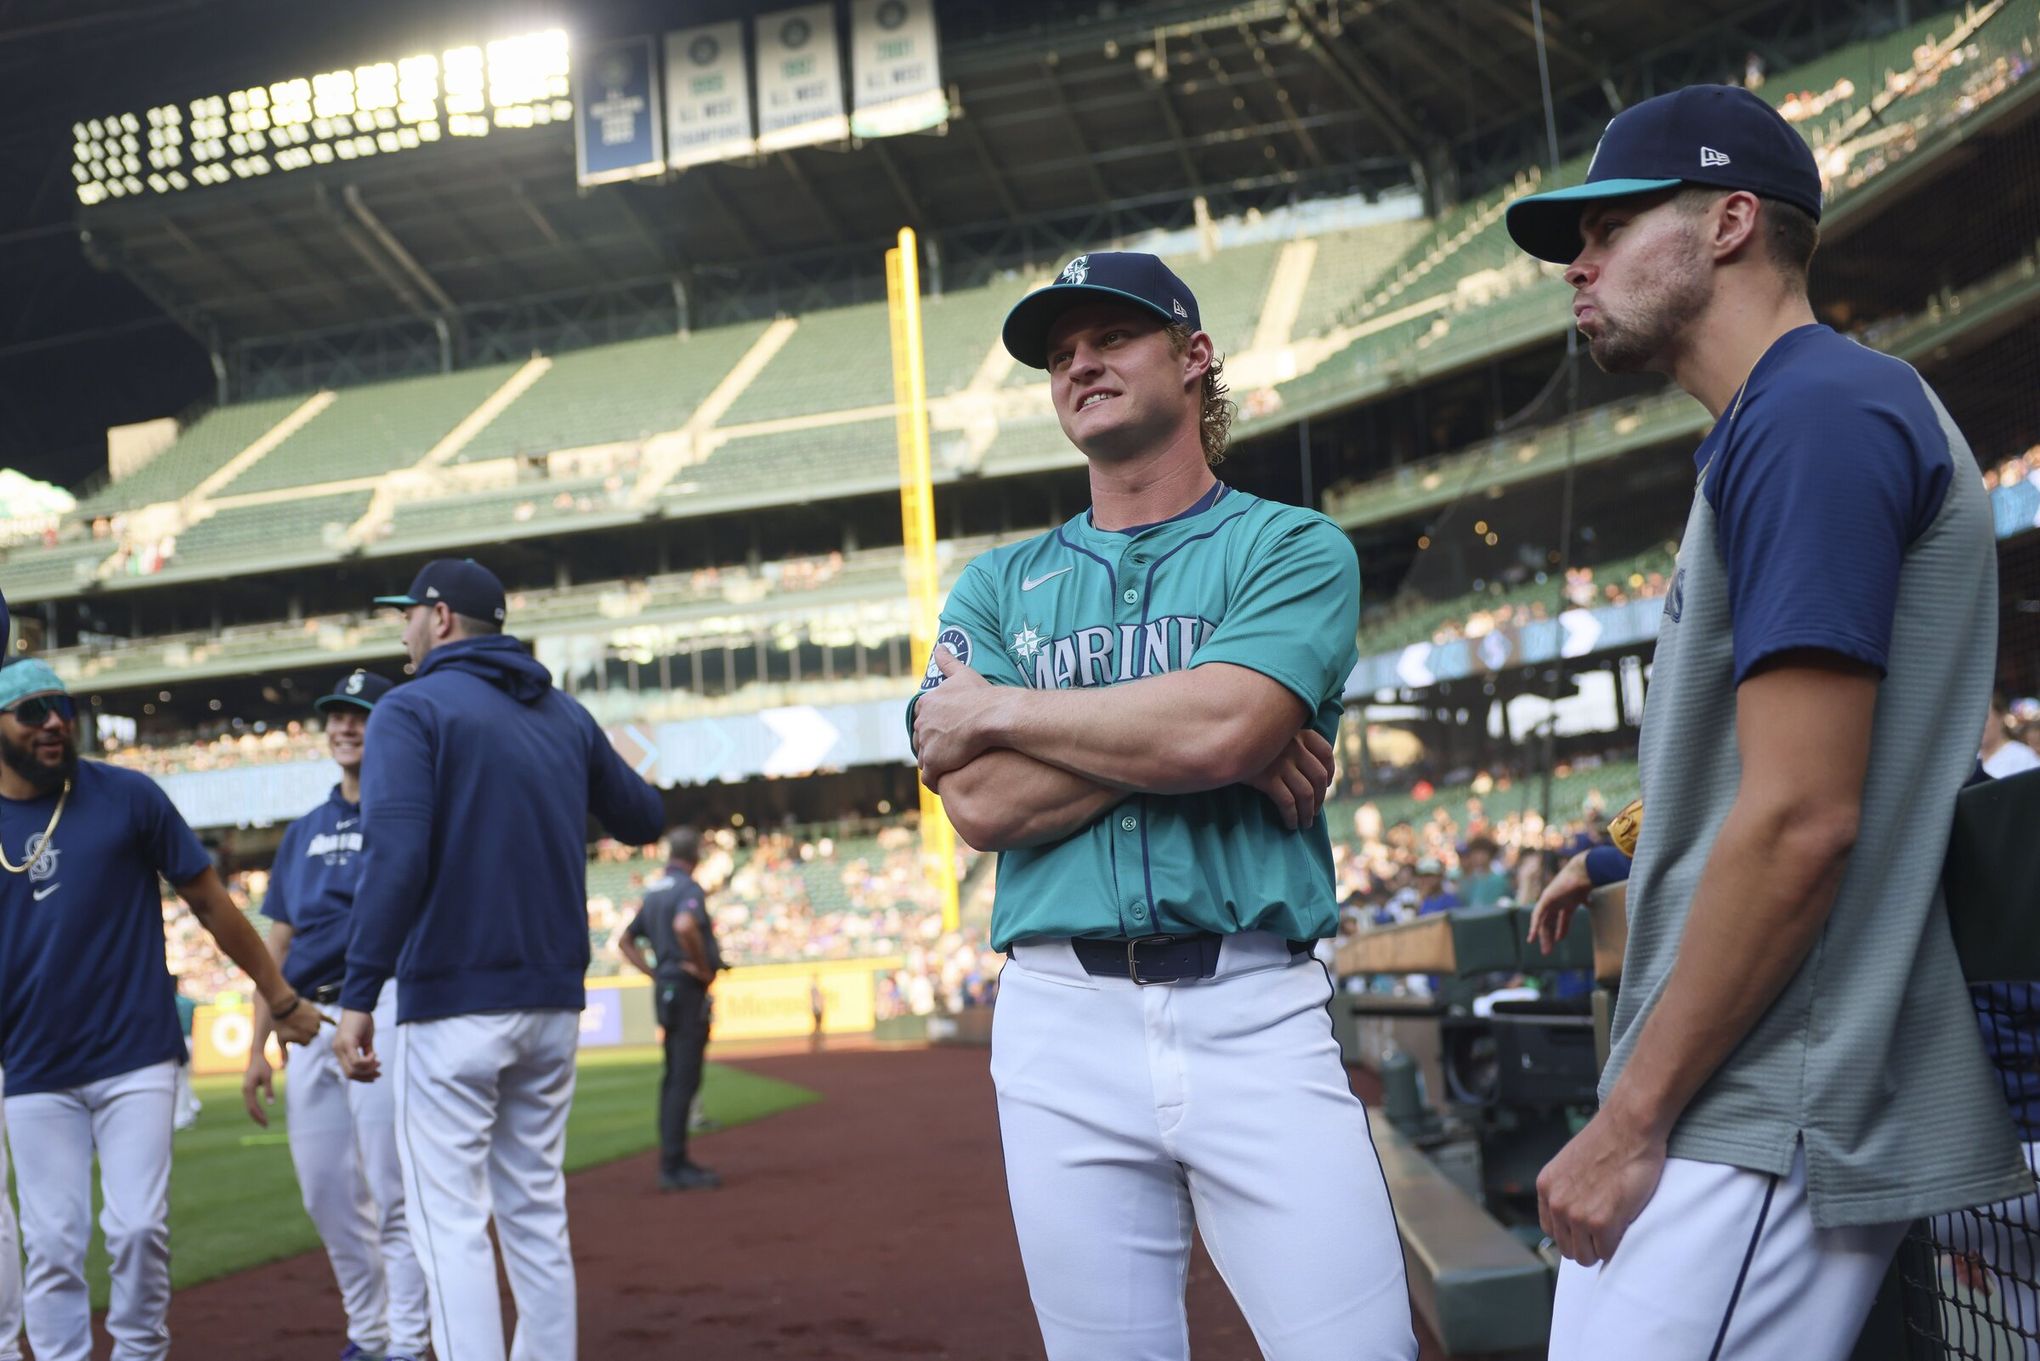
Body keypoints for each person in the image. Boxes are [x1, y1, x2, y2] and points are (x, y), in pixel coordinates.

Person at [1511, 85, 2031, 1359]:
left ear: (1731, 220)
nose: (1578, 265)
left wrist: (1632, 1116)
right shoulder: (1783, 420)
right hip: (1748, 1081)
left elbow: (1801, 816)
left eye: (1612, 226)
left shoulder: (1816, 410)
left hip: (1766, 1093)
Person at [910, 251, 1416, 1359]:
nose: (1079, 362)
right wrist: (1206, 734)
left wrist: (1013, 710)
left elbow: (1224, 727)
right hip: (1059, 1021)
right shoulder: (994, 585)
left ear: (1195, 359)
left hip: (1258, 1009)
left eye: (1110, 337)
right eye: (1059, 354)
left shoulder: (1291, 545)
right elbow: (983, 803)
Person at [332, 559, 664, 1361]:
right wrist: (571, 752)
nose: (403, 631)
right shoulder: (564, 713)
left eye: (408, 616)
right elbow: (644, 816)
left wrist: (357, 992)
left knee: (448, 1221)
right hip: (551, 1002)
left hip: (453, 1000)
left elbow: (397, 855)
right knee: (535, 1210)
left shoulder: (410, 708)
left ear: (441, 618)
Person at [0, 659, 320, 1361]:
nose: (55, 721)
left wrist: (279, 994)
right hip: (30, 1066)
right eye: (33, 711)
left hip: (134, 1052)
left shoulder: (129, 797)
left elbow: (210, 904)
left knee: (139, 1225)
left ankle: (140, 1350)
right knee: (52, 1242)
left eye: (63, 706)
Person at [243, 669, 427, 1361]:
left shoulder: (408, 812)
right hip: (306, 1017)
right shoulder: (305, 831)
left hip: (383, 1004)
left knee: (392, 1186)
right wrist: (256, 1046)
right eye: (336, 716)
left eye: (361, 715)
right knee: (326, 1192)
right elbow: (276, 947)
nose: (345, 726)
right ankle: (369, 1330)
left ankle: (407, 1341)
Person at [619, 826, 724, 1191]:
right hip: (686, 990)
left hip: (666, 989)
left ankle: (673, 1159)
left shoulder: (654, 890)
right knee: (684, 1076)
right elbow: (685, 925)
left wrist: (654, 973)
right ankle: (674, 1164)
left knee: (672, 1076)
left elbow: (625, 940)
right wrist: (703, 968)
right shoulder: (686, 889)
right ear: (694, 855)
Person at [1982, 688, 2040, 778]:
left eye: (1985, 717)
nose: (1980, 725)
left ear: (2001, 717)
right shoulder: (1966, 760)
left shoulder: (2024, 757)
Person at [1458, 836, 1513, 907]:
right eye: (1474, 853)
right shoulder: (1467, 880)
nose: (1478, 857)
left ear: (1490, 855)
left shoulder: (1499, 881)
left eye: (1482, 853)